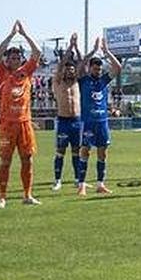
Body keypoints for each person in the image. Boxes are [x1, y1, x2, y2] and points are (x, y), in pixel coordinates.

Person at [0, 20, 41, 208]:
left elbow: (36, 53)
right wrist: (11, 35)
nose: (13, 59)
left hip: (24, 123)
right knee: (5, 161)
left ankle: (27, 195)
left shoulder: (26, 72)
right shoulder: (2, 73)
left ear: (21, 59)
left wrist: (25, 34)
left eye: (17, 57)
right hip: (7, 124)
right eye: (10, 57)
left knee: (27, 159)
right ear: (7, 60)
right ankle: (2, 197)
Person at [77, 36, 123, 195]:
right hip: (88, 122)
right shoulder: (83, 80)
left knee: (103, 152)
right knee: (85, 151)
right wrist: (91, 52)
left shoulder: (103, 80)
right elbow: (79, 66)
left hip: (102, 121)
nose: (98, 71)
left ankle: (100, 184)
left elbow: (118, 67)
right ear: (90, 68)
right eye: (95, 68)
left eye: (99, 69)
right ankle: (81, 184)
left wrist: (107, 51)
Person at [51, 34, 83, 191]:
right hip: (63, 121)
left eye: (72, 69)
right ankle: (57, 180)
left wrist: (76, 48)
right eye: (67, 69)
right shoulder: (58, 82)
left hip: (77, 121)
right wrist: (70, 47)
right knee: (60, 151)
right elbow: (60, 66)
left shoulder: (78, 83)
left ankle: (77, 179)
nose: (70, 72)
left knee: (77, 151)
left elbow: (82, 64)